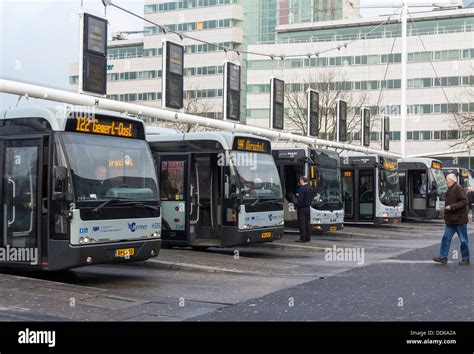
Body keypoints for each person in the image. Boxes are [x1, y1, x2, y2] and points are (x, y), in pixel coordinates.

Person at [433, 173, 470, 266]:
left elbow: (465, 201)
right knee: (446, 237)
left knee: (463, 240)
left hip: (460, 220)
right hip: (451, 220)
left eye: (447, 180)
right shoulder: (450, 189)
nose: (446, 181)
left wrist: (452, 207)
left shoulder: (458, 188)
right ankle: (443, 257)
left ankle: (466, 259)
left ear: (452, 180)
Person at [295, 176, 314, 243]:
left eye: (300, 180)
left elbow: (300, 200)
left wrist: (296, 206)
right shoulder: (310, 188)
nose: (300, 181)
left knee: (302, 224)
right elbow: (312, 198)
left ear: (302, 180)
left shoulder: (301, 189)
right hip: (308, 208)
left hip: (302, 209)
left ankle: (303, 238)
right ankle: (308, 238)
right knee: (307, 223)